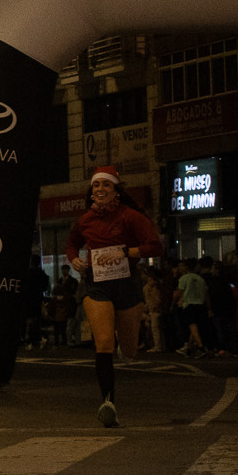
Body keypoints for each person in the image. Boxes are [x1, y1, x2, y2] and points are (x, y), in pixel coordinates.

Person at [65, 167, 162, 427]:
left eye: (106, 185)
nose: (100, 189)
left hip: (127, 284)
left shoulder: (130, 216)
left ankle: (125, 345)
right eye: (96, 185)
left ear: (116, 190)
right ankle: (108, 404)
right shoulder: (85, 220)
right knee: (104, 341)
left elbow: (156, 246)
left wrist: (126, 252)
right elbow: (72, 244)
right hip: (97, 284)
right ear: (91, 192)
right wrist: (74, 259)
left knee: (129, 350)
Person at [174, 261, 210, 358]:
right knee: (194, 327)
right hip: (200, 304)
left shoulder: (184, 278)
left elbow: (178, 293)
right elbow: (206, 293)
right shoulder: (200, 279)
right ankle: (189, 348)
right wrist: (209, 307)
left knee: (192, 325)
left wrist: (173, 303)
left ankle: (200, 347)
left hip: (189, 304)